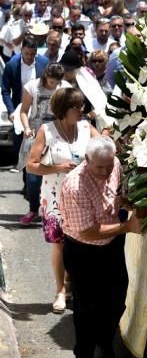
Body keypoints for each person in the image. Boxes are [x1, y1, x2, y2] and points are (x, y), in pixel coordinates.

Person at [60, 136, 142, 358]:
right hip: (83, 251)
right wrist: (127, 227)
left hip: (112, 245)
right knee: (86, 308)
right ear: (86, 160)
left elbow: (117, 193)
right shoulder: (75, 185)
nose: (106, 171)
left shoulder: (113, 163)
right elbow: (89, 231)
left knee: (117, 300)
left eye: (109, 165)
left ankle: (105, 345)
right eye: (99, 167)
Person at [26, 87, 99, 314]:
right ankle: (59, 290)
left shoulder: (87, 128)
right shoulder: (46, 131)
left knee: (79, 241)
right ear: (63, 109)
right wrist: (58, 167)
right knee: (59, 243)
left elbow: (107, 148)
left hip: (83, 196)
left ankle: (69, 284)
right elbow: (31, 165)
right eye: (76, 106)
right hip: (55, 196)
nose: (81, 110)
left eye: (82, 106)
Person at [18, 63, 69, 225]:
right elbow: (24, 110)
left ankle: (57, 211)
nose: (54, 85)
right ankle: (33, 209)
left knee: (58, 174)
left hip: (57, 135)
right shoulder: (32, 86)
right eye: (52, 82)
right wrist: (26, 128)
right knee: (33, 177)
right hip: (35, 133)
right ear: (46, 75)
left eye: (57, 82)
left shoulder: (65, 87)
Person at [1, 36, 48, 170]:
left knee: (39, 148)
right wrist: (11, 111)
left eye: (33, 54)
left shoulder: (44, 63)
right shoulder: (12, 65)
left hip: (40, 111)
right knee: (22, 148)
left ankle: (32, 185)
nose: (29, 57)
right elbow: (5, 90)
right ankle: (26, 179)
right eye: (26, 53)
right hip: (20, 112)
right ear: (21, 50)